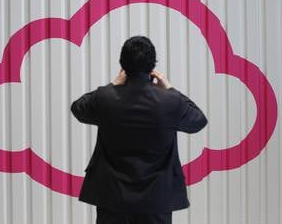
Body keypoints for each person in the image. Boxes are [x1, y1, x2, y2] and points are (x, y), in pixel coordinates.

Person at [70, 35, 208, 224]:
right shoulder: (170, 101)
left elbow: (78, 108)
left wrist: (112, 85)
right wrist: (170, 89)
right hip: (157, 198)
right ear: (152, 66)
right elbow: (199, 121)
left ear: (122, 64)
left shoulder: (105, 98)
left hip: (112, 196)